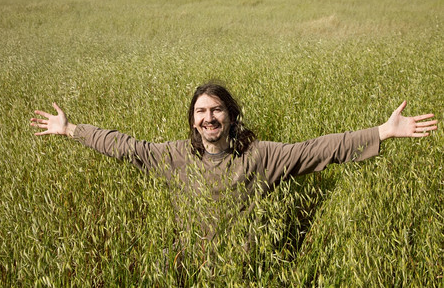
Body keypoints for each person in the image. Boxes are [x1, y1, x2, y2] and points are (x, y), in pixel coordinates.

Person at [30, 83, 438, 242]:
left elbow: (318, 149)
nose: (209, 117)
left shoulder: (260, 157)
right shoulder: (173, 156)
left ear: (230, 116)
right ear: (192, 120)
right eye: (201, 111)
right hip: (191, 265)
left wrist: (381, 133)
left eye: (217, 110)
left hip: (246, 264)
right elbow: (123, 146)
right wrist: (71, 130)